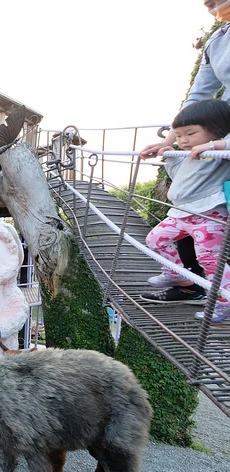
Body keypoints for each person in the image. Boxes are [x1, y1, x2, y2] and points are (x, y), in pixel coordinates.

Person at [139, 1, 230, 300]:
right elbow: (199, 94)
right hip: (216, 125)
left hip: (221, 139)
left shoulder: (215, 142)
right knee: (165, 240)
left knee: (212, 256)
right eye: (210, 4)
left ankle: (222, 299)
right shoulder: (217, 41)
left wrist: (218, 143)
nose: (214, 9)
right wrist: (173, 139)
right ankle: (186, 282)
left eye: (218, 1)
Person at [140, 99, 230, 323]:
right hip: (181, 213)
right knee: (155, 240)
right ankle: (176, 273)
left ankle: (224, 301)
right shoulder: (189, 153)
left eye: (190, 133)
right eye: (178, 135)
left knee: (210, 260)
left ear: (216, 129)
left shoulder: (218, 153)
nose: (183, 140)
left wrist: (213, 146)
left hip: (208, 215)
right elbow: (180, 181)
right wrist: (170, 155)